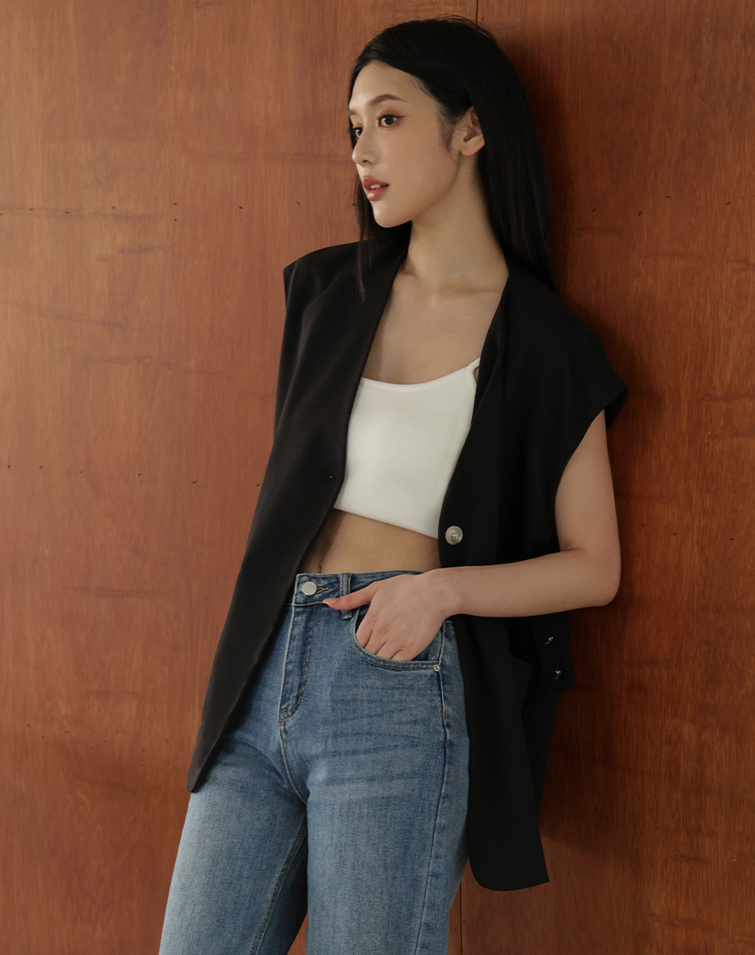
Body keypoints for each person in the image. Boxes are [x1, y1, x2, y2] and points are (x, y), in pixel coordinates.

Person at [158, 15, 629, 955]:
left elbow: (594, 565)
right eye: (353, 128)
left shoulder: (545, 345)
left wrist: (439, 593)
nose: (361, 151)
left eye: (387, 118)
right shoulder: (324, 295)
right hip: (266, 666)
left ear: (470, 128)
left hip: (400, 686)